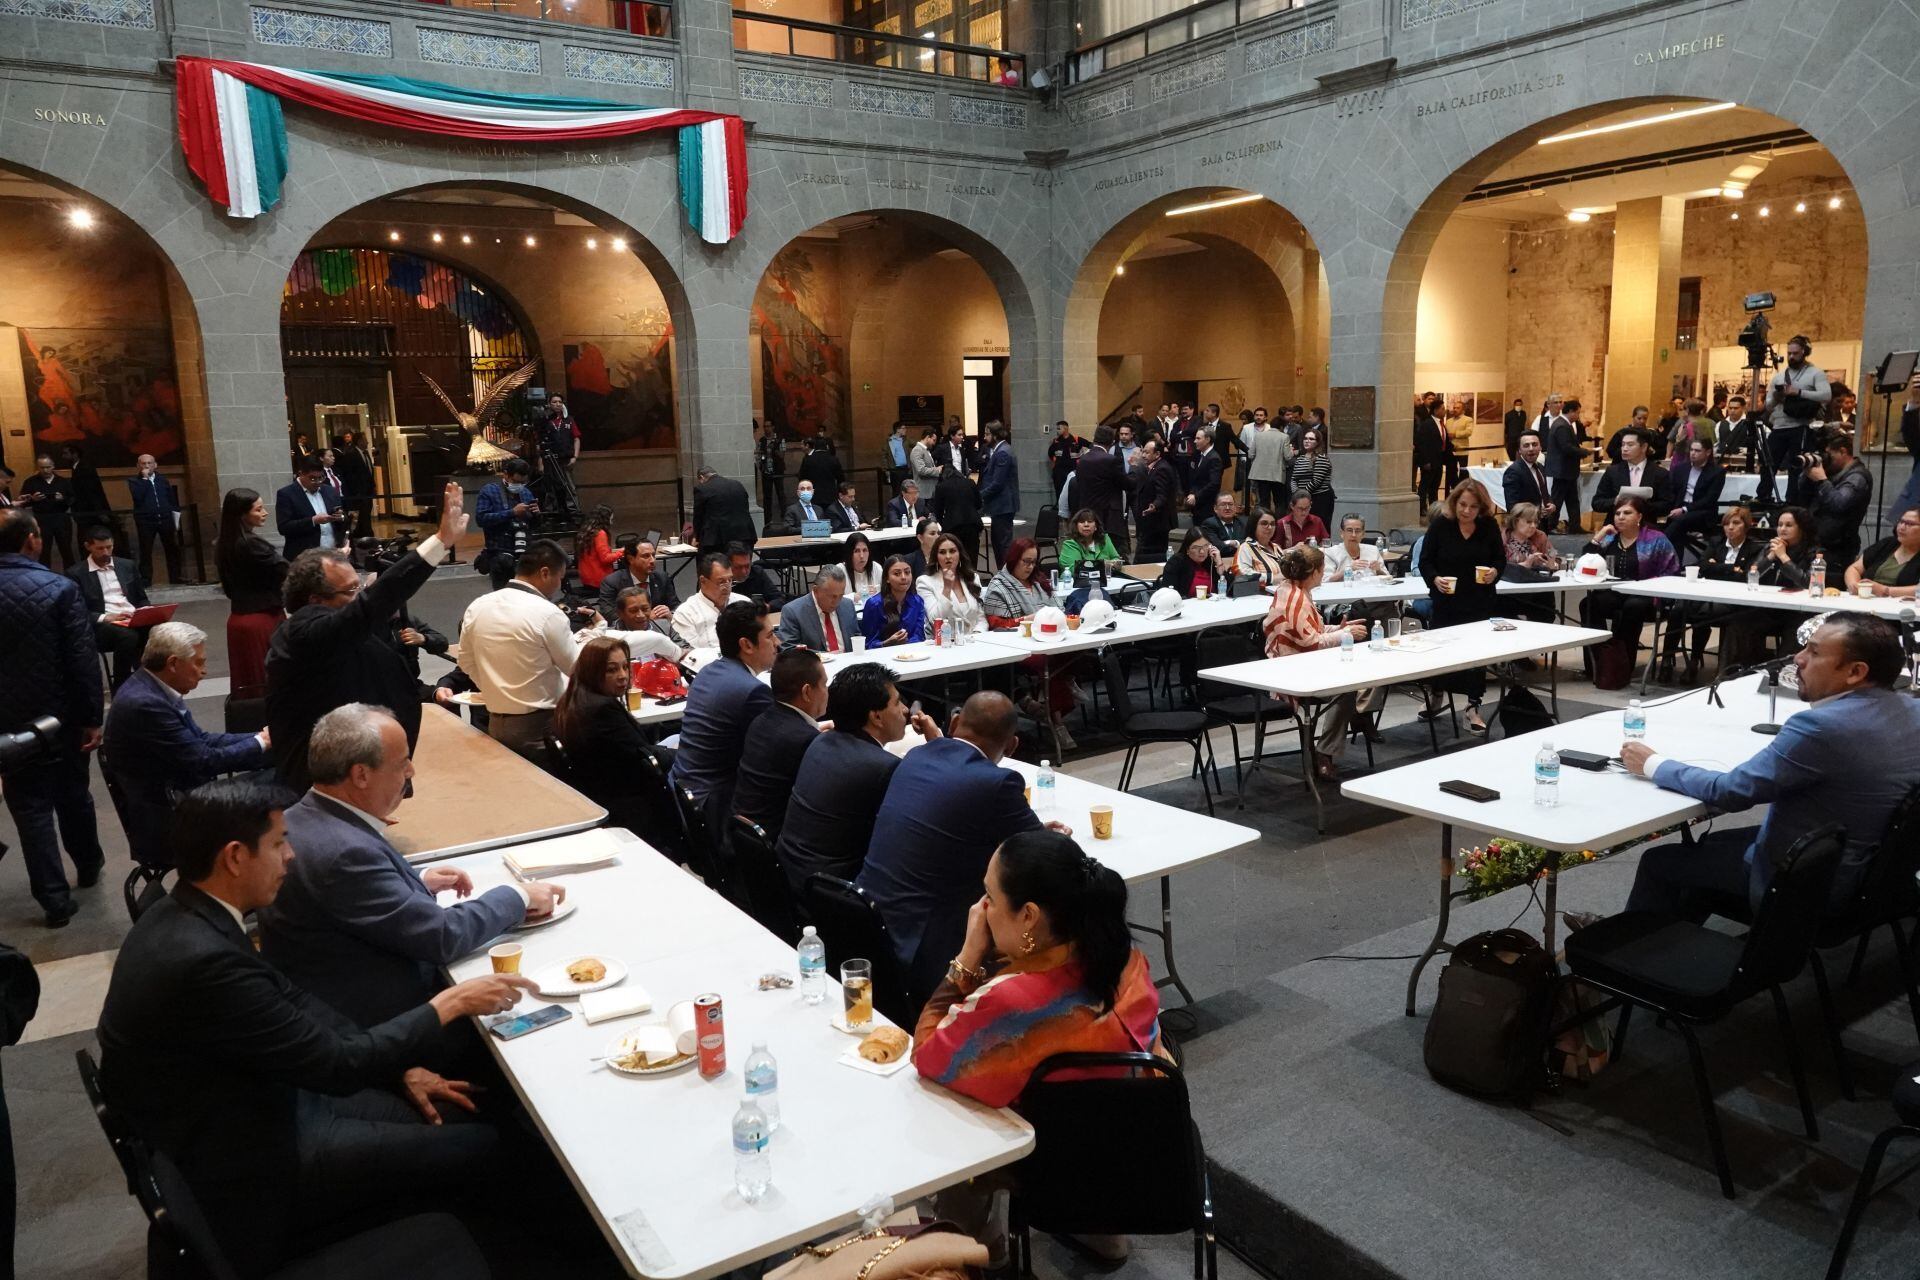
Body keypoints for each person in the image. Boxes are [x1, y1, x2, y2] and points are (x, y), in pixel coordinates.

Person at [97, 778, 537, 1279]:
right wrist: (450, 1003)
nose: (291, 857)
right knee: (483, 1143)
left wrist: (400, 1068)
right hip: (261, 1159)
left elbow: (298, 1005)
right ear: (236, 856)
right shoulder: (203, 960)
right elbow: (338, 1066)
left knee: (460, 1113)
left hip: (252, 1105)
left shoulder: (182, 913)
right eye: (280, 843)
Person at [262, 704, 560, 1032]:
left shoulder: (299, 818)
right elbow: (442, 936)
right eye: (403, 762)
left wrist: (414, 880)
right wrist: (518, 896)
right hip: (380, 1024)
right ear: (361, 774)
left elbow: (349, 899)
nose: (411, 772)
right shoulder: (346, 853)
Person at [1620, 615, 1920, 919]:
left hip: (1811, 885)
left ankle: (1620, 952)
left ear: (1856, 672)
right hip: (1879, 876)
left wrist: (1652, 764)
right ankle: (1675, 941)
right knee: (1711, 844)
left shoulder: (1821, 727)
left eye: (1814, 652)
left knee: (1660, 862)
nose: (1798, 659)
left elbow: (1730, 792)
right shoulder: (1913, 710)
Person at [916, 829, 1165, 1133]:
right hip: (1151, 1140)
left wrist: (967, 957)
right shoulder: (1126, 958)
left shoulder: (1009, 1002)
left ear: (1028, 916)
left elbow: (927, 1056)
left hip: (1053, 1163)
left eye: (990, 898)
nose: (980, 910)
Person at [858, 691, 1068, 1000]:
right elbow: (1042, 856)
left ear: (955, 723)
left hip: (867, 920)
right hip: (925, 944)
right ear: (1011, 746)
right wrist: (1048, 838)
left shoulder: (917, 756)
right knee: (1042, 910)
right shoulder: (997, 783)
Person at [266, 481, 465, 791]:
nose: (360, 595)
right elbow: (371, 605)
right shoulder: (303, 633)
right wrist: (438, 542)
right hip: (327, 785)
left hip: (360, 772)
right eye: (352, 591)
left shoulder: (333, 626)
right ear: (316, 599)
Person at [0, 509, 104, 927]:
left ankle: (53, 900)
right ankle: (89, 864)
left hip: (6, 724)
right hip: (58, 716)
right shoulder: (59, 588)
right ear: (31, 540)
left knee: (30, 809)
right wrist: (91, 717)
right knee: (73, 795)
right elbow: (81, 659)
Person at [775, 663, 933, 892]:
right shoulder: (883, 768)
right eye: (897, 703)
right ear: (876, 717)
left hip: (789, 875)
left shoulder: (820, 742)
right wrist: (938, 745)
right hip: (833, 893)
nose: (905, 710)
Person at [104, 621, 269, 816]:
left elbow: (201, 739)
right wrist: (261, 743)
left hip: (177, 792)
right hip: (172, 810)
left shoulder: (152, 687)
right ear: (173, 664)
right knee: (282, 783)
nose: (204, 671)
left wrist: (261, 738)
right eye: (198, 662)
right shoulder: (146, 704)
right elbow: (204, 761)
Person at [458, 539, 602, 750]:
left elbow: (466, 662)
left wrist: (498, 690)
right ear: (545, 573)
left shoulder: (478, 605)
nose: (560, 585)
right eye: (560, 577)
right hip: (540, 726)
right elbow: (576, 669)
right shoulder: (548, 612)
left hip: (495, 722)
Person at [1264, 545, 1374, 780]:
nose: (1324, 574)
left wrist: (1341, 628)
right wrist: (1347, 635)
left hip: (1305, 663)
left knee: (1358, 679)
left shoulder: (1297, 590)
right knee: (1346, 690)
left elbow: (1316, 631)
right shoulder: (1294, 599)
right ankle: (1325, 751)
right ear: (1313, 571)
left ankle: (1354, 725)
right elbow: (1312, 643)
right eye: (1322, 569)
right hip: (1291, 671)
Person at [669, 600, 777, 824]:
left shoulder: (708, 672)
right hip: (716, 806)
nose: (778, 642)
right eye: (770, 636)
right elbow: (774, 755)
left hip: (684, 792)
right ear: (747, 645)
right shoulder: (753, 691)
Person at [1419, 479, 1505, 733]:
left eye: (1473, 507)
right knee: (1442, 650)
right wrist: (1435, 578)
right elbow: (1426, 561)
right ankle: (1436, 694)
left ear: (1481, 508)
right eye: (1462, 505)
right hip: (1447, 599)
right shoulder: (1440, 526)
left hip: (1479, 600)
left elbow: (1500, 559)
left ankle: (1472, 707)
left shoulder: (1488, 526)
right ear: (1454, 502)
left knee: (1475, 654)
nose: (1466, 511)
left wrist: (1494, 572)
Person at [549, 636, 660, 829]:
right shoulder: (601, 708)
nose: (623, 675)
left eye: (625, 667)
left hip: (604, 790)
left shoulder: (572, 699)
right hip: (627, 799)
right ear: (592, 672)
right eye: (612, 669)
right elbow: (644, 757)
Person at [1660, 505, 1767, 680]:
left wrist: (1716, 567)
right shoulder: (1716, 542)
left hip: (1732, 599)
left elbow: (1746, 575)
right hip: (1706, 591)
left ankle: (1694, 662)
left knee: (1705, 613)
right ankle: (1666, 659)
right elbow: (1703, 566)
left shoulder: (1753, 548)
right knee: (1678, 609)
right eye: (1726, 524)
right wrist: (1731, 568)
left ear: (1746, 526)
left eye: (1736, 523)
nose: (1730, 528)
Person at [732, 649, 830, 839]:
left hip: (744, 834)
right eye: (824, 684)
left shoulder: (761, 721)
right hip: (778, 840)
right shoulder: (805, 740)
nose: (827, 691)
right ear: (807, 692)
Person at [1579, 496, 1680, 673]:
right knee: (1588, 604)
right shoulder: (1610, 539)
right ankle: (1597, 661)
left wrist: (1650, 585)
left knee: (1633, 606)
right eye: (1617, 513)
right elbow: (1586, 562)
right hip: (1615, 592)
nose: (1620, 517)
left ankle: (1622, 664)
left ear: (1639, 516)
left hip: (1647, 596)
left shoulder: (1656, 539)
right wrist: (1599, 536)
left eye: (1627, 513)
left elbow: (1672, 571)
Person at [1719, 505, 1816, 665]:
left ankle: (1783, 678)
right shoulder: (1770, 547)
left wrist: (1784, 557)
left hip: (1797, 613)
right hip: (1769, 608)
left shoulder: (1813, 552)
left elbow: (1808, 582)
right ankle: (1726, 676)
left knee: (1797, 632)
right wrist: (1770, 556)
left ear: (1802, 529)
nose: (1782, 529)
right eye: (1780, 525)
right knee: (1738, 624)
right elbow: (1751, 575)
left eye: (1789, 525)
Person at [215, 487, 287, 698]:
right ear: (242, 514)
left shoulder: (224, 543)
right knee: (266, 684)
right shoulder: (251, 544)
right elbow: (287, 572)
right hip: (261, 619)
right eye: (258, 509)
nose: (264, 513)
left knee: (250, 686)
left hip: (240, 619)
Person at [69, 524, 151, 688]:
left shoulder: (127, 565)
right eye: (100, 548)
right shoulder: (76, 573)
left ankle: (151, 677)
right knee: (128, 637)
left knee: (161, 629)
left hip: (131, 616)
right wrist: (105, 617)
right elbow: (77, 610)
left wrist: (147, 610)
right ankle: (121, 684)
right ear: (88, 547)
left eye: (109, 547)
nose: (106, 553)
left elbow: (141, 598)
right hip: (103, 623)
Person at [1760, 334, 1832, 501]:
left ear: (1805, 352)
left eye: (1796, 353)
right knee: (1768, 463)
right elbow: (1769, 405)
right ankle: (1763, 496)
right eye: (1789, 353)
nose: (1791, 357)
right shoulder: (1779, 376)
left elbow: (1826, 395)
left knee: (1796, 467)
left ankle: (1792, 500)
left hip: (1801, 426)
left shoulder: (1815, 373)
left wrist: (1799, 392)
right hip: (1779, 426)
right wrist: (1777, 397)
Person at [1799, 427, 1872, 572]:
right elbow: (1802, 494)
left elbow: (1839, 504)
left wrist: (1821, 480)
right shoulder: (1832, 472)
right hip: (1816, 542)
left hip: (1837, 547)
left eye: (1829, 455)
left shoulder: (1857, 477)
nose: (1827, 460)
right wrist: (1807, 474)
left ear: (1843, 452)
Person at [473, 458, 537, 590]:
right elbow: (481, 519)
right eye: (516, 481)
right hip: (499, 552)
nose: (519, 485)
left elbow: (534, 525)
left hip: (524, 552)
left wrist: (537, 514)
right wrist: (511, 513)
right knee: (502, 596)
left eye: (523, 482)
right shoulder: (490, 491)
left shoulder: (526, 492)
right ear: (506, 475)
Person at [1073, 427, 1134, 557]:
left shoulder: (1082, 460)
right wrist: (1134, 467)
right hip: (1109, 516)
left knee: (1090, 553)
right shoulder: (1111, 460)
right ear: (1112, 441)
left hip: (1088, 514)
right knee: (1113, 554)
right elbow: (1127, 484)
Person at [671, 552, 749, 650]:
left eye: (730, 580)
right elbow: (691, 656)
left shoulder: (744, 602)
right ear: (703, 581)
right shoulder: (686, 613)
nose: (727, 587)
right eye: (721, 582)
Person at [275, 455, 347, 558]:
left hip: (332, 553)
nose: (318, 482)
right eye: (312, 478)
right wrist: (313, 521)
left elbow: (342, 518)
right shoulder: (287, 494)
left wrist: (341, 517)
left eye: (321, 477)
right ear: (301, 474)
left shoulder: (329, 491)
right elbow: (284, 527)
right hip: (304, 557)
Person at [1590, 427, 1672, 518]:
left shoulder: (1660, 473)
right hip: (1616, 525)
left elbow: (1667, 505)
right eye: (1623, 444)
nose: (1624, 449)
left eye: (1630, 445)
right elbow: (1596, 503)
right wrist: (1616, 501)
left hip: (1646, 525)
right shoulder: (1612, 471)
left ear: (1644, 447)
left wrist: (1640, 506)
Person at [1664, 436, 1728, 554]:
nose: (1693, 453)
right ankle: (1674, 565)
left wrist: (1684, 509)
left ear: (1708, 452)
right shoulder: (1681, 468)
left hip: (1703, 511)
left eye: (1697, 451)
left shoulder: (1717, 472)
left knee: (1679, 521)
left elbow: (1710, 499)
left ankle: (1659, 546)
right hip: (1680, 507)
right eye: (1691, 450)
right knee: (1671, 524)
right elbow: (1673, 491)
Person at [126, 453, 182, 585]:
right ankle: (146, 579)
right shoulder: (134, 482)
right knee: (145, 550)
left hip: (165, 518)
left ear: (155, 465)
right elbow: (138, 497)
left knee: (171, 549)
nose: (146, 466)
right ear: (138, 466)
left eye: (149, 463)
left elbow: (170, 498)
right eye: (143, 463)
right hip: (146, 520)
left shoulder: (163, 480)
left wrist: (175, 512)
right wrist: (145, 480)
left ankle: (176, 577)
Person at [917, 532, 986, 637]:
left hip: (975, 640)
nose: (948, 556)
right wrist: (947, 589)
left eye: (952, 551)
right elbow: (935, 620)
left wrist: (977, 635)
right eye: (942, 552)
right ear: (936, 556)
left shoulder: (972, 577)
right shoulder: (925, 582)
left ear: (960, 554)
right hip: (946, 644)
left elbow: (981, 618)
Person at [777, 564, 858, 652]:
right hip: (815, 664)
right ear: (816, 591)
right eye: (832, 596)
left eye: (840, 596)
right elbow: (789, 649)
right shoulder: (793, 611)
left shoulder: (847, 605)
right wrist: (826, 657)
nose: (836, 602)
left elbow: (857, 639)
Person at [1844, 505, 1920, 599]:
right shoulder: (1887, 544)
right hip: (1868, 600)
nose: (1902, 527)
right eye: (1901, 522)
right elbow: (1855, 568)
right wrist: (1854, 585)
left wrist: (1885, 590)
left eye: (1909, 524)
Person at [596, 537, 678, 624]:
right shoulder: (612, 582)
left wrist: (671, 613)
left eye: (653, 555)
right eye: (646, 556)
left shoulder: (662, 577)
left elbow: (676, 605)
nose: (652, 560)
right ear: (631, 559)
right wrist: (645, 617)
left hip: (660, 627)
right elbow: (609, 615)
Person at [1542, 398, 1588, 532]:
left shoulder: (1562, 423)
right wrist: (1584, 451)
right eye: (1578, 413)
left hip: (1567, 470)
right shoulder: (1562, 425)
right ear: (1572, 412)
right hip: (1562, 470)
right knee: (1557, 499)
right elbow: (1566, 447)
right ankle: (1550, 525)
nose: (1578, 416)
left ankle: (1575, 525)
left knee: (1572, 499)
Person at [1131, 437, 1180, 564]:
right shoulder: (1151, 467)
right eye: (1143, 451)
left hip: (1158, 522)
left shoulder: (1162, 468)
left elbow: (1162, 494)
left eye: (1147, 452)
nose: (1143, 455)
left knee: (1152, 555)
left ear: (1157, 454)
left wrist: (1154, 506)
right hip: (1150, 521)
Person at [978, 422, 1019, 568]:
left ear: (995, 435)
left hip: (1003, 505)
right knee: (999, 543)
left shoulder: (1002, 452)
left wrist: (978, 496)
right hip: (1000, 505)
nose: (985, 437)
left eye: (987, 434)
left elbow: (997, 483)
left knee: (1002, 545)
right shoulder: (1001, 450)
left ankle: (1006, 575)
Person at [982, 537, 1053, 620]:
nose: (1030, 567)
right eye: (1026, 561)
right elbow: (996, 624)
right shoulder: (998, 587)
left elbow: (1060, 611)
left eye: (1033, 562)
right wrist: (1028, 619)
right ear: (1014, 559)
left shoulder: (1041, 581)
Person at [863, 554, 927, 646]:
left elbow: (919, 636)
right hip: (881, 655)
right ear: (887, 579)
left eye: (907, 572)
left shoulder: (918, 601)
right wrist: (886, 643)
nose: (904, 577)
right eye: (897, 574)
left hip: (912, 654)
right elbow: (868, 643)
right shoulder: (874, 604)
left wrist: (905, 644)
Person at [931, 461, 984, 571]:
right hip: (972, 524)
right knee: (971, 556)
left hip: (953, 526)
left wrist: (943, 523)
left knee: (954, 556)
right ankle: (972, 579)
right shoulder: (970, 483)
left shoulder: (941, 487)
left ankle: (956, 580)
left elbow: (938, 510)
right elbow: (979, 504)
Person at [691, 464, 756, 551]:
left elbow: (698, 516)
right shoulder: (737, 484)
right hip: (744, 535)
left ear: (702, 477)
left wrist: (697, 537)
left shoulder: (702, 489)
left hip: (717, 539)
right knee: (741, 564)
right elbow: (745, 508)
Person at [1501, 431, 1557, 528]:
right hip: (1525, 527)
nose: (1531, 449)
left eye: (1534, 445)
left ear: (1540, 447)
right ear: (1519, 450)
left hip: (1542, 524)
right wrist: (1535, 512)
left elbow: (1542, 492)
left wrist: (1551, 504)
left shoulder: (1540, 467)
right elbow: (1512, 506)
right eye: (1526, 446)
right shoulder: (1514, 472)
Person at [1243, 408, 1290, 517]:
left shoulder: (1258, 436)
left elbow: (1250, 455)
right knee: (1279, 502)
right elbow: (1288, 456)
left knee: (1263, 502)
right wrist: (1292, 451)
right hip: (1277, 474)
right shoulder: (1284, 437)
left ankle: (1264, 522)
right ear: (1282, 427)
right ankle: (1278, 525)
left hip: (1261, 474)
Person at [332, 431, 376, 541]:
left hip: (368, 490)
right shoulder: (351, 454)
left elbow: (369, 471)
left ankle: (363, 532)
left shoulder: (366, 453)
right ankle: (365, 534)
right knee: (362, 513)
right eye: (365, 440)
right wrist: (355, 491)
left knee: (366, 512)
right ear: (360, 441)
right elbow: (350, 474)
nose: (367, 442)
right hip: (359, 491)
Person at [1159, 526, 1223, 598]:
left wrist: (1219, 562)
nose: (1202, 551)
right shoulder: (1176, 563)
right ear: (1187, 549)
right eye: (1196, 547)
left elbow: (1229, 591)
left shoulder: (1211, 561)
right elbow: (1168, 594)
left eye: (1205, 546)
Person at [1059, 508, 1120, 582]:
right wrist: (1104, 564)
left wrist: (1115, 563)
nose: (1086, 525)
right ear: (1076, 526)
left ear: (1096, 526)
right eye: (1082, 522)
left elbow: (1116, 558)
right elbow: (1074, 570)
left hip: (1105, 582)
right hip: (1075, 586)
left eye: (1090, 521)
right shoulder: (1070, 544)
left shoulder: (1105, 539)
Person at [1411, 397, 1447, 514]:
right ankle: (1421, 508)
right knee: (1425, 485)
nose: (1444, 411)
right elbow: (1422, 443)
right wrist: (1425, 461)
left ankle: (1434, 509)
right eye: (1442, 409)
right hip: (1429, 461)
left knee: (1435, 487)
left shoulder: (1441, 424)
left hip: (1438, 460)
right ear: (1436, 410)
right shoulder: (1427, 424)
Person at [1321, 513, 1385, 579]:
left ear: (1363, 534)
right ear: (1342, 533)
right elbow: (1325, 580)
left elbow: (1388, 578)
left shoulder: (1373, 550)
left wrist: (1378, 571)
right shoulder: (1331, 553)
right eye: (1349, 530)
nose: (1353, 535)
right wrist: (1349, 569)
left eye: (1357, 531)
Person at [1235, 506, 1286, 587]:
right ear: (1254, 525)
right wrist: (1272, 578)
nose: (1269, 527)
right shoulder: (1246, 547)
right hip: (1258, 596)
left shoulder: (1277, 547)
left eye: (1272, 524)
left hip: (1281, 592)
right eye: (1264, 523)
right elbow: (1242, 574)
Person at [727, 542, 788, 608]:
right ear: (728, 565)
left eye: (747, 566)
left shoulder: (757, 572)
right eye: (738, 567)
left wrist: (766, 607)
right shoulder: (721, 579)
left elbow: (779, 599)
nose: (744, 571)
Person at [574, 505, 619, 592]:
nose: (611, 523)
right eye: (611, 519)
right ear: (605, 520)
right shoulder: (600, 533)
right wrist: (622, 551)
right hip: (599, 581)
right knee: (626, 578)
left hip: (587, 579)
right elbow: (605, 558)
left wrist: (614, 552)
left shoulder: (586, 531)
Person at [1501, 503, 1558, 571]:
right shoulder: (1501, 538)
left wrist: (1553, 564)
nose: (1533, 526)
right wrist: (1523, 565)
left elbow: (1554, 555)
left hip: (1536, 580)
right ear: (1515, 521)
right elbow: (1493, 566)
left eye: (1536, 522)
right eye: (1529, 522)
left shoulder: (1540, 536)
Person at [1185, 426, 1223, 521]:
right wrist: (1192, 493)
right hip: (1197, 505)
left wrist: (1196, 496)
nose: (1194, 441)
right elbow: (1195, 480)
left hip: (1207, 506)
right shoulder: (1198, 455)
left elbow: (1214, 483)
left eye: (1198, 438)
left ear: (1207, 439)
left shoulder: (1214, 458)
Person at [1196, 492, 1246, 560]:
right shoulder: (1209, 524)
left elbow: (1251, 543)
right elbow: (1218, 548)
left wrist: (1234, 543)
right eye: (1223, 504)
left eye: (1230, 504)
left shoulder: (1243, 522)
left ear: (1235, 507)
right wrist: (1240, 545)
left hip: (1242, 562)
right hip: (1219, 563)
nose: (1227, 508)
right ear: (1215, 509)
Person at [842, 532, 884, 601]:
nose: (862, 556)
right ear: (849, 553)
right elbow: (834, 599)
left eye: (865, 550)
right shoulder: (840, 571)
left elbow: (886, 593)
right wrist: (853, 597)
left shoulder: (876, 568)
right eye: (857, 551)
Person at [1442, 401, 1474, 491]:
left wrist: (1455, 434)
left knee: (1463, 470)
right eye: (1454, 407)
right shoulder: (1448, 421)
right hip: (1451, 450)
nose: (1455, 409)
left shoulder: (1468, 419)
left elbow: (1469, 432)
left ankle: (1463, 488)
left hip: (1462, 449)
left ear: (1463, 409)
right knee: (1452, 470)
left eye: (1457, 408)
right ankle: (1455, 488)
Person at [1046, 420, 1081, 497]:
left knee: (1072, 493)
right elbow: (1050, 453)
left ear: (1065, 429)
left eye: (1059, 428)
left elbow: (1087, 448)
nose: (1057, 431)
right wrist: (1056, 462)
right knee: (1060, 493)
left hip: (1072, 471)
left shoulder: (1075, 440)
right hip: (1059, 472)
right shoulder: (1056, 441)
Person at [910, 427, 942, 491]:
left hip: (929, 491)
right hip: (923, 492)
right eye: (934, 440)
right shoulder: (917, 450)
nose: (934, 443)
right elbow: (921, 470)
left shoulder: (926, 450)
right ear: (927, 438)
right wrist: (937, 470)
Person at [886, 420, 910, 488]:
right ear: (898, 430)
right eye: (903, 428)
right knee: (896, 489)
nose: (905, 430)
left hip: (905, 469)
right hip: (895, 470)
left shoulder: (906, 440)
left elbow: (916, 444)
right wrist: (886, 470)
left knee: (906, 489)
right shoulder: (889, 441)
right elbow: (884, 456)